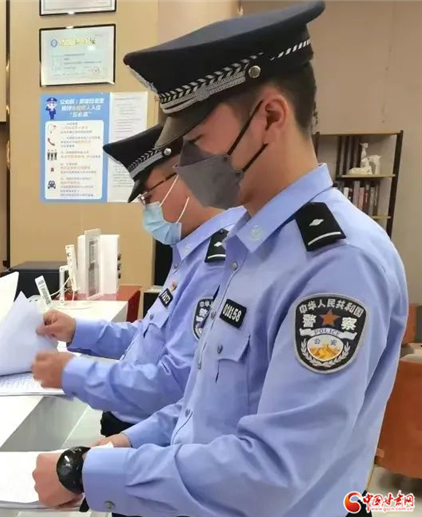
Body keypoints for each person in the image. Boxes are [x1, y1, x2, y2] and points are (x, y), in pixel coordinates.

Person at [32, 3, 408, 516]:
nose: (188, 167)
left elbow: (272, 472)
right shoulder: (250, 247)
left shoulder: (337, 264)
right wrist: (122, 446)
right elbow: (203, 409)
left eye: (196, 143)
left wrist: (91, 473)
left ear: (270, 117)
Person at [32, 124, 244, 443]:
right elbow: (150, 337)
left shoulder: (217, 263)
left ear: (183, 179)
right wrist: (77, 331)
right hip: (135, 428)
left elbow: (175, 383)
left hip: (153, 438)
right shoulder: (191, 251)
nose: (147, 210)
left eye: (148, 196)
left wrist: (74, 373)